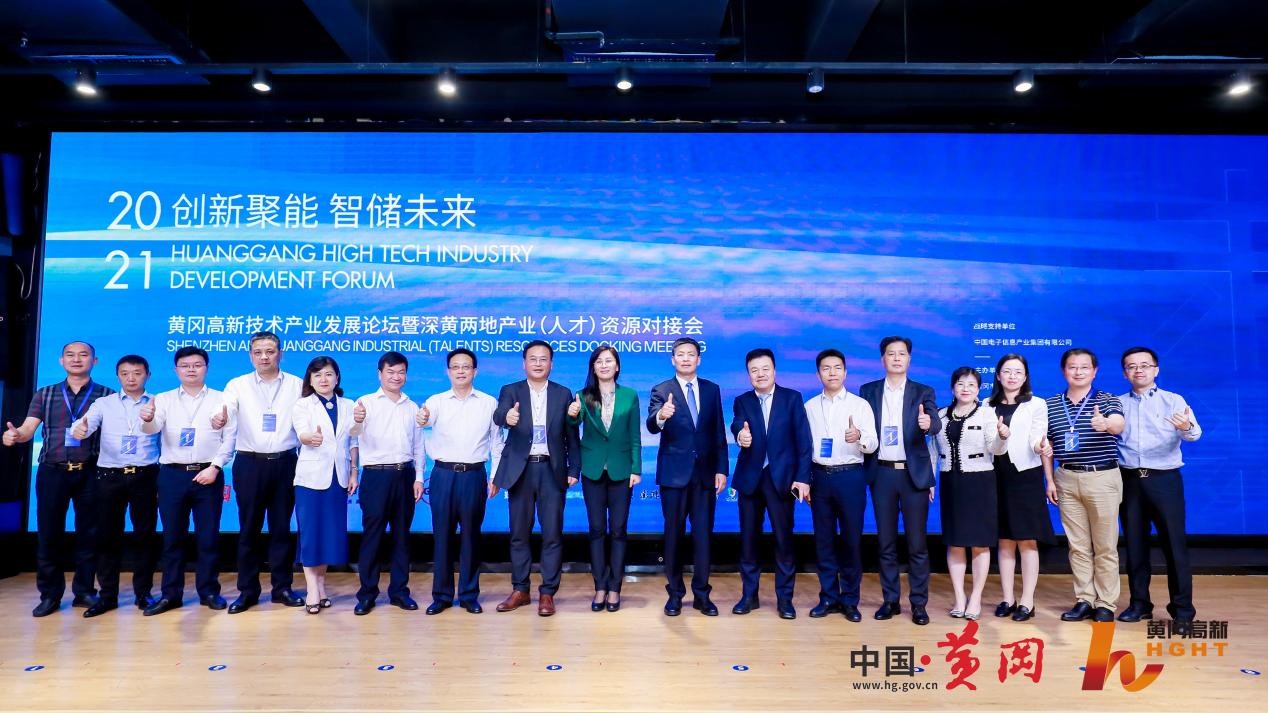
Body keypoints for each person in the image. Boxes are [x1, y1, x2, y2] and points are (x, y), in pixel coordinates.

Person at [4, 341, 112, 617]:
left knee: (89, 534)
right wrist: (16, 435)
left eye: (83, 355)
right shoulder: (46, 393)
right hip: (53, 471)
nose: (76, 359)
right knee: (49, 534)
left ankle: (84, 591)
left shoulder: (106, 396)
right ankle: (50, 594)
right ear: (61, 361)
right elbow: (28, 429)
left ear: (94, 361)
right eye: (70, 355)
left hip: (91, 472)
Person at [139, 346, 235, 615]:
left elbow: (230, 438)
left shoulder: (222, 399)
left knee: (208, 538)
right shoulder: (163, 399)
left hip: (208, 473)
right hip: (172, 475)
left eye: (197, 365)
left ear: (206, 368)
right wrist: (147, 419)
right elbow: (151, 428)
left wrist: (215, 467)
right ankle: (171, 595)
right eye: (185, 365)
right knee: (172, 538)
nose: (191, 369)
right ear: (176, 370)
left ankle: (209, 591)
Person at [1116, 347, 1202, 632]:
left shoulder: (1173, 400)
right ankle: (1140, 604)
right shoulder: (1118, 404)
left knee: (1174, 546)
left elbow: (1194, 434)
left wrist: (1186, 426)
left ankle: (1182, 611)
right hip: (1129, 480)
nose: (1138, 370)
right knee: (1135, 545)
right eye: (1131, 366)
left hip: (1164, 480)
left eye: (1144, 365)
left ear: (1156, 370)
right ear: (1125, 373)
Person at [218, 331, 305, 613]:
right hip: (250, 464)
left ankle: (282, 588)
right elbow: (226, 411)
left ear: (281, 353)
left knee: (282, 530)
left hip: (286, 463)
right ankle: (248, 591)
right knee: (249, 530)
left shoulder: (297, 385)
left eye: (270, 351)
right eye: (258, 352)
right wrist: (219, 418)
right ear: (250, 355)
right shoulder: (237, 385)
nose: (264, 357)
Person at [492, 340, 580, 617]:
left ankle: (547, 593)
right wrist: (507, 416)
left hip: (552, 470)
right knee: (519, 534)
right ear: (524, 363)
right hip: (521, 470)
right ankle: (520, 589)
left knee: (552, 534)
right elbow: (498, 415)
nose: (538, 363)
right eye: (533, 359)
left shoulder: (563, 393)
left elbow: (571, 436)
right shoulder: (511, 390)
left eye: (544, 359)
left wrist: (574, 469)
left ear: (551, 364)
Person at [71, 355, 162, 617]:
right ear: (118, 376)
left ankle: (143, 594)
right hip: (109, 476)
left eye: (137, 373)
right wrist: (79, 430)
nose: (131, 378)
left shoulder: (158, 402)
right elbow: (85, 425)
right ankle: (107, 596)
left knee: (145, 536)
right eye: (125, 373)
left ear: (147, 375)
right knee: (107, 537)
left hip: (146, 475)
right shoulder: (104, 403)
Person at [860, 336, 940, 626]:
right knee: (886, 542)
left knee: (917, 544)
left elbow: (935, 422)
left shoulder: (923, 391)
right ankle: (890, 600)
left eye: (902, 354)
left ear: (909, 359)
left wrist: (928, 424)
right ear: (883, 359)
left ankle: (918, 604)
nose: (896, 358)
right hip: (881, 473)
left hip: (912, 475)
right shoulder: (868, 391)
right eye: (891, 354)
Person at [647, 337, 729, 617]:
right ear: (673, 359)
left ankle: (702, 595)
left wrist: (722, 469)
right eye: (680, 354)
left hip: (705, 475)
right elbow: (652, 425)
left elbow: (718, 432)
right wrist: (662, 415)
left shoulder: (711, 389)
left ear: (698, 359)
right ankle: (675, 594)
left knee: (703, 536)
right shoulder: (662, 390)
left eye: (690, 354)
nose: (685, 358)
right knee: (673, 536)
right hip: (674, 475)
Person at [416, 348, 502, 615]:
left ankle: (468, 594)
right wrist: (422, 419)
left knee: (471, 537)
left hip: (474, 475)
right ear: (448, 371)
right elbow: (423, 423)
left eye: (466, 366)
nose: (461, 371)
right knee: (442, 536)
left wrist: (495, 476)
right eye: (456, 367)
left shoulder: (489, 403)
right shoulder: (437, 401)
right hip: (443, 475)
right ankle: (441, 596)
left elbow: (497, 443)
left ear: (475, 371)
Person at [1045, 347, 1125, 623]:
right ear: (1064, 370)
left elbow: (1118, 424)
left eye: (1084, 367)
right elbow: (1048, 446)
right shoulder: (1051, 404)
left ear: (1094, 371)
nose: (1078, 372)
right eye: (1072, 367)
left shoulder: (1107, 399)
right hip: (1066, 478)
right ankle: (1084, 599)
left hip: (1101, 477)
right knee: (1077, 545)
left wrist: (1106, 424)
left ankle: (1106, 603)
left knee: (1105, 546)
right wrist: (1049, 480)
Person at [730, 348, 812, 619]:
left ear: (774, 371)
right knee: (748, 540)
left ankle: (785, 599)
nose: (760, 374)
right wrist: (741, 436)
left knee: (783, 540)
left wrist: (802, 478)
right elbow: (737, 424)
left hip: (782, 480)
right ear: (748, 375)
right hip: (750, 480)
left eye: (765, 369)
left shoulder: (792, 398)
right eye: (754, 370)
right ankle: (749, 596)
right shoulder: (742, 400)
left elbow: (803, 442)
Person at [804, 349, 877, 622]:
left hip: (850, 476)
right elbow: (804, 447)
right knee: (823, 540)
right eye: (826, 368)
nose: (832, 373)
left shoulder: (860, 405)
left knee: (851, 540)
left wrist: (859, 437)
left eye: (837, 368)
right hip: (820, 477)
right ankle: (828, 597)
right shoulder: (809, 407)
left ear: (845, 372)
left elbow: (873, 442)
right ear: (818, 374)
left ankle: (850, 600)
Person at [567, 345, 641, 612]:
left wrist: (636, 468)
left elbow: (635, 435)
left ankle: (615, 588)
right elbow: (574, 425)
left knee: (618, 530)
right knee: (597, 530)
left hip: (622, 470)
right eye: (599, 361)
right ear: (593, 367)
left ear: (617, 366)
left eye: (609, 361)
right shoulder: (583, 395)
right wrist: (572, 415)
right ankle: (600, 586)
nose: (604, 365)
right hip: (593, 470)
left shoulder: (630, 395)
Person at [351, 351, 425, 615]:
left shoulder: (412, 406)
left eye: (401, 372)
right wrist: (356, 420)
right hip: (376, 476)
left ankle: (399, 592)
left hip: (405, 475)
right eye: (390, 372)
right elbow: (353, 435)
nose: (396, 377)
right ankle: (367, 594)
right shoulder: (365, 403)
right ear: (380, 374)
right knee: (372, 536)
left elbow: (418, 446)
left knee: (402, 537)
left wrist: (419, 477)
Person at [988, 354, 1056, 622]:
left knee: (1027, 540)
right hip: (994, 476)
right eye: (1007, 371)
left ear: (1025, 376)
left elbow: (1037, 437)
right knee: (1004, 539)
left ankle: (1027, 600)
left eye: (1018, 372)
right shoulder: (986, 405)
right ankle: (1008, 598)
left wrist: (1041, 447)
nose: (1012, 376)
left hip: (1025, 476)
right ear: (998, 375)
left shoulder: (1036, 404)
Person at [292, 356, 363, 614]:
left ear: (337, 377)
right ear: (310, 380)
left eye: (329, 374)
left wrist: (354, 472)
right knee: (311, 535)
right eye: (318, 375)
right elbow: (301, 433)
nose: (324, 379)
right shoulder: (302, 405)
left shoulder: (348, 405)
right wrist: (310, 438)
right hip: (310, 479)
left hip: (338, 478)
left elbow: (353, 441)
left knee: (329, 535)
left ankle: (321, 587)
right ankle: (312, 589)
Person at [931, 367, 1002, 622]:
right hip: (951, 482)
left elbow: (996, 448)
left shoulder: (987, 413)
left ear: (978, 389)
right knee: (956, 541)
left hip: (980, 482)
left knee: (979, 542)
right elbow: (932, 451)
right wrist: (929, 481)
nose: (965, 389)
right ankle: (960, 596)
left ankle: (976, 597)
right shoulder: (940, 415)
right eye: (961, 384)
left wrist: (1002, 437)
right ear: (953, 388)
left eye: (971, 384)